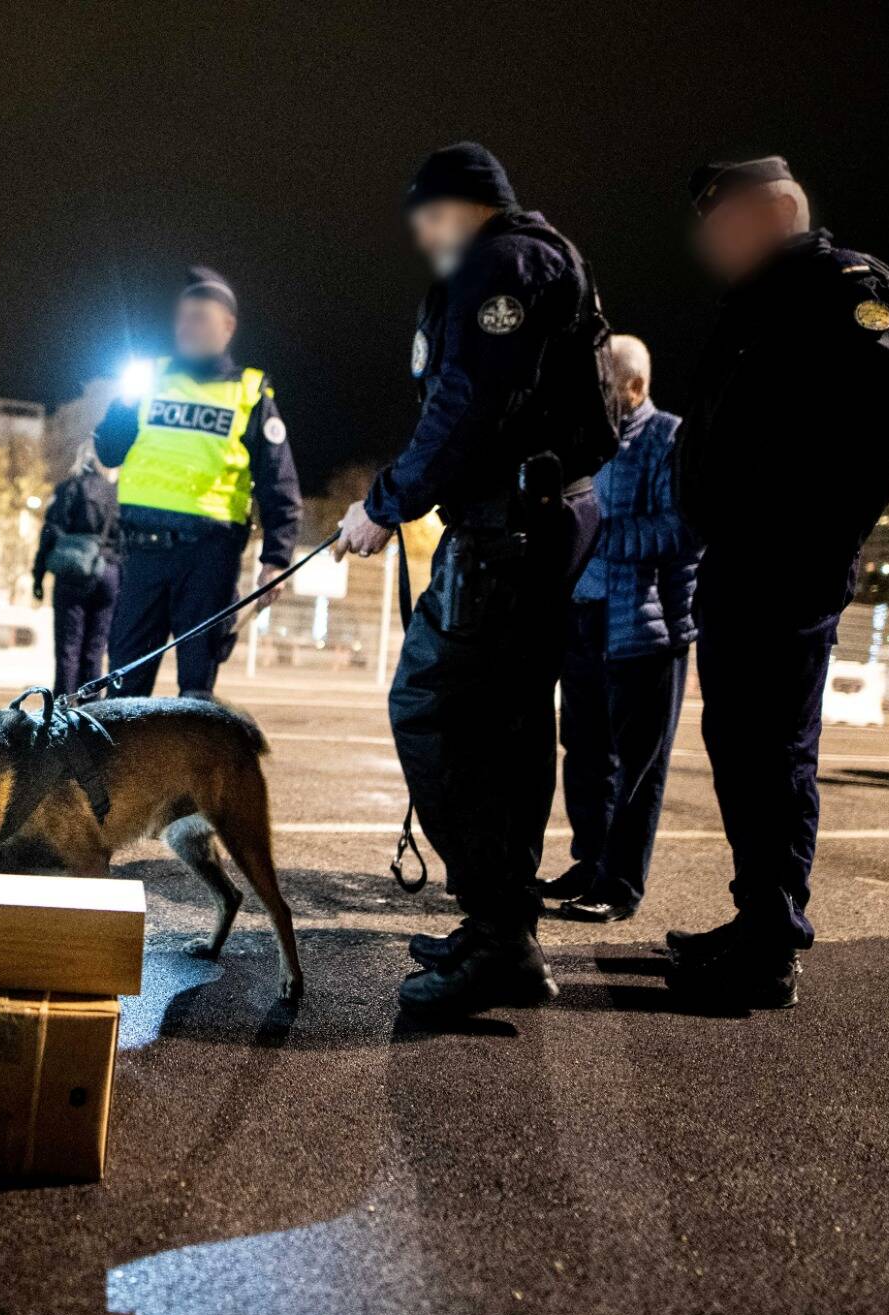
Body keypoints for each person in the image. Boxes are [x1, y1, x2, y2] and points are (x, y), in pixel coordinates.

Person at [336, 142, 613, 1012]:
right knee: (508, 729)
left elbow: (466, 405)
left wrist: (384, 503)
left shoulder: (503, 261)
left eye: (426, 212)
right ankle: (503, 930)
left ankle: (498, 931)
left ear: (463, 203)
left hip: (509, 528)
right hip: (530, 522)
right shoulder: (534, 258)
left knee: (435, 707)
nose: (420, 232)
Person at [669, 156, 889, 1008]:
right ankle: (754, 921)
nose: (713, 241)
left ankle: (772, 943)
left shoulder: (840, 285)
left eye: (725, 222)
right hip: (738, 559)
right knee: (738, 749)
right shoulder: (759, 302)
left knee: (773, 752)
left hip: (786, 563)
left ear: (776, 210)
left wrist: (809, 533)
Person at [92, 266, 302, 698]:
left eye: (200, 317)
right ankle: (122, 768)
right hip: (142, 554)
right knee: (122, 690)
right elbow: (109, 452)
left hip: (209, 559)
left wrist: (276, 560)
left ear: (227, 327)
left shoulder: (249, 392)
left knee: (195, 694)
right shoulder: (150, 380)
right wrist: (121, 405)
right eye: (183, 317)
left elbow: (277, 482)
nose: (187, 327)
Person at [547, 335, 700, 923]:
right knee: (583, 754)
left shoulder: (669, 437)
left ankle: (619, 884)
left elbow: (685, 529)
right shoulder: (589, 438)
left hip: (644, 629)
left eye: (605, 385)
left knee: (637, 766)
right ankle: (589, 863)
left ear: (635, 387)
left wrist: (597, 538)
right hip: (583, 618)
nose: (594, 395)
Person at [33, 444, 122, 695]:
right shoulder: (120, 492)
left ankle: (64, 708)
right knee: (96, 649)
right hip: (109, 573)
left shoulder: (69, 488)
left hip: (75, 570)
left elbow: (49, 532)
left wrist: (38, 576)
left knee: (68, 647)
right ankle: (92, 712)